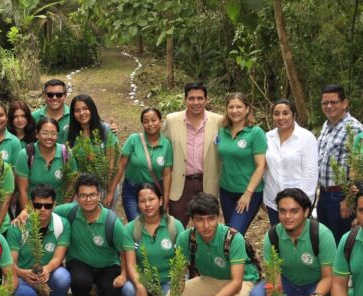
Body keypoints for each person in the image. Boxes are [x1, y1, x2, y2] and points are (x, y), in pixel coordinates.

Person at [170, 193, 259, 296]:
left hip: (241, 280)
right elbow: (179, 274)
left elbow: (237, 283)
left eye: (211, 219)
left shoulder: (232, 238)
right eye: (200, 220)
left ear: (218, 217)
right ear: (192, 220)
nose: (206, 225)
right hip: (211, 278)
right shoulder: (186, 238)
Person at [248, 188, 335, 296]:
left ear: (306, 212)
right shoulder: (273, 236)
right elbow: (273, 282)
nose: (287, 217)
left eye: (294, 211)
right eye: (282, 211)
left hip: (317, 286)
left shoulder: (322, 235)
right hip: (288, 284)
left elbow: (329, 277)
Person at [53, 174, 138, 296]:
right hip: (80, 262)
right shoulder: (70, 212)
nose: (88, 199)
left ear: (99, 196)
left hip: (107, 265)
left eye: (92, 195)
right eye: (83, 196)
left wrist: (123, 275)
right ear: (77, 197)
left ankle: (103, 291)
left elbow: (124, 251)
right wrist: (24, 213)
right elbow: (45, 212)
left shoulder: (112, 222)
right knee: (80, 281)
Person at [6, 184, 72, 296]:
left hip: (48, 272)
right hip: (23, 274)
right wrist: (23, 273)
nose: (42, 209)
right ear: (30, 205)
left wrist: (47, 269)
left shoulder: (62, 224)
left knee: (63, 277)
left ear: (54, 205)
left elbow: (58, 258)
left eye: (47, 206)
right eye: (38, 205)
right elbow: (10, 263)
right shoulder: (18, 227)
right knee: (26, 295)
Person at [162, 81, 223, 227]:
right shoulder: (172, 120)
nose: (196, 102)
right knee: (177, 226)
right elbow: (160, 144)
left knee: (206, 226)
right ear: (185, 99)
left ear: (206, 99)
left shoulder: (218, 121)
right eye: (191, 98)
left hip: (206, 182)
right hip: (180, 184)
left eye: (200, 98)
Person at [124, 184, 185, 296]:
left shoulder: (175, 226)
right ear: (137, 204)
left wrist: (175, 288)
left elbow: (182, 263)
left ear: (161, 200)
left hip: (169, 280)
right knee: (128, 291)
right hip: (144, 279)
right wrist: (139, 286)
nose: (147, 204)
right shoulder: (131, 229)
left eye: (151, 199)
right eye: (142, 201)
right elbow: (131, 264)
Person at [104, 107, 173, 221]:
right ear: (142, 124)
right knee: (136, 224)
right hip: (132, 190)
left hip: (154, 192)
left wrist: (165, 201)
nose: (150, 124)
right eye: (146, 121)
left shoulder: (166, 145)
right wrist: (111, 192)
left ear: (160, 121)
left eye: (153, 120)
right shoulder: (133, 140)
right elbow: (121, 166)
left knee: (152, 225)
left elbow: (167, 174)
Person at [317, 84, 363, 242]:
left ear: (344, 103)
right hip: (324, 194)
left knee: (342, 241)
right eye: (325, 103)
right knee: (326, 241)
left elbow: (358, 168)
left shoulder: (355, 128)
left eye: (333, 102)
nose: (329, 106)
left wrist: (349, 200)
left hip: (341, 196)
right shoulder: (326, 125)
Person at [216, 93, 267, 234]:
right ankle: (244, 256)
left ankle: (245, 256)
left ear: (247, 109)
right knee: (231, 233)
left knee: (233, 233)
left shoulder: (255, 133)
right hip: (226, 191)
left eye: (239, 106)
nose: (234, 110)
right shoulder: (222, 131)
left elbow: (261, 165)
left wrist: (248, 193)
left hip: (248, 192)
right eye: (231, 107)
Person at [263, 99, 318, 226]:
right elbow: (265, 170)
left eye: (285, 113)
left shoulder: (306, 138)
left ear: (294, 115)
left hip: (298, 204)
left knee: (299, 242)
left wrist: (303, 204)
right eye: (276, 113)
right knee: (278, 240)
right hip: (274, 202)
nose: (280, 117)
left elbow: (310, 174)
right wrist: (264, 198)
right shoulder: (268, 138)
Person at [14, 117, 78, 208]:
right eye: (44, 133)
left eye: (53, 134)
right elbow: (22, 190)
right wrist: (28, 213)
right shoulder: (25, 155)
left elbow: (72, 184)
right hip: (33, 208)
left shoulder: (66, 153)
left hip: (58, 207)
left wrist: (62, 208)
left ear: (57, 135)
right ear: (37, 134)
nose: (49, 137)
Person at [64, 94, 120, 193]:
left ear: (92, 109)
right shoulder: (68, 133)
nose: (82, 113)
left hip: (104, 186)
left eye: (85, 108)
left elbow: (113, 163)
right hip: (79, 188)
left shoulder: (107, 130)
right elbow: (67, 163)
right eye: (77, 110)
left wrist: (110, 192)